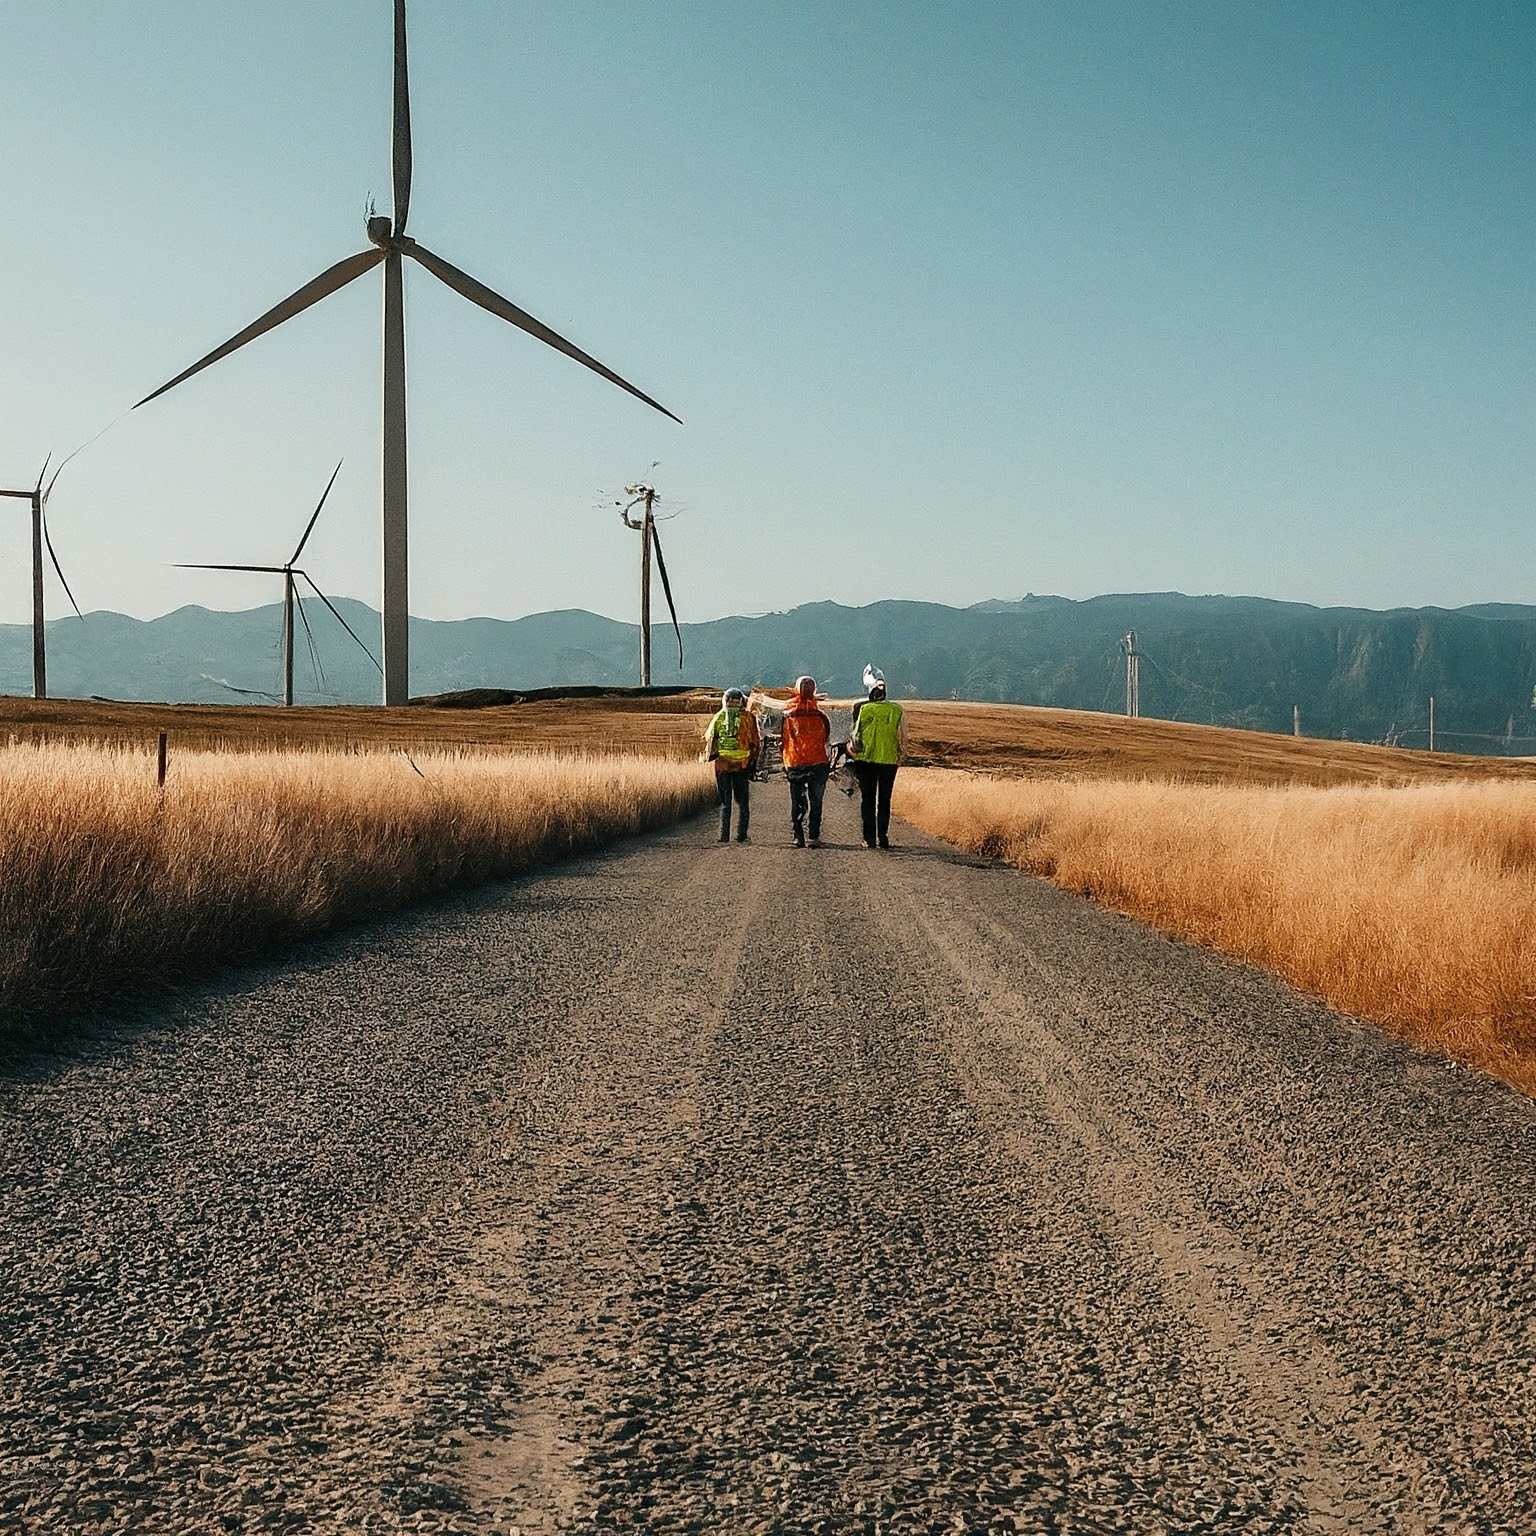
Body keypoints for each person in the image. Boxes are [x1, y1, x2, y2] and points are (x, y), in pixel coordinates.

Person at [848, 664, 906, 849]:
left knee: (868, 800)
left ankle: (869, 839)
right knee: (884, 800)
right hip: (889, 762)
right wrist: (899, 756)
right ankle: (883, 837)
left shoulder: (864, 710)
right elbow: (903, 738)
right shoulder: (897, 710)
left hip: (866, 761)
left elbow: (856, 736)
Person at [780, 675, 831, 848]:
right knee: (816, 801)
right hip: (818, 762)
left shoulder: (788, 711)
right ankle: (813, 835)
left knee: (798, 801)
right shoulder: (820, 712)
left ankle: (798, 835)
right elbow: (828, 736)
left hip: (795, 762)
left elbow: (781, 737)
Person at [703, 687, 759, 843]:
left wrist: (710, 757)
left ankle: (724, 836)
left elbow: (711, 739)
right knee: (742, 803)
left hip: (722, 766)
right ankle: (741, 835)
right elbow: (755, 743)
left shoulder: (719, 717)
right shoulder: (748, 718)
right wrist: (754, 763)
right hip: (742, 765)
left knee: (725, 803)